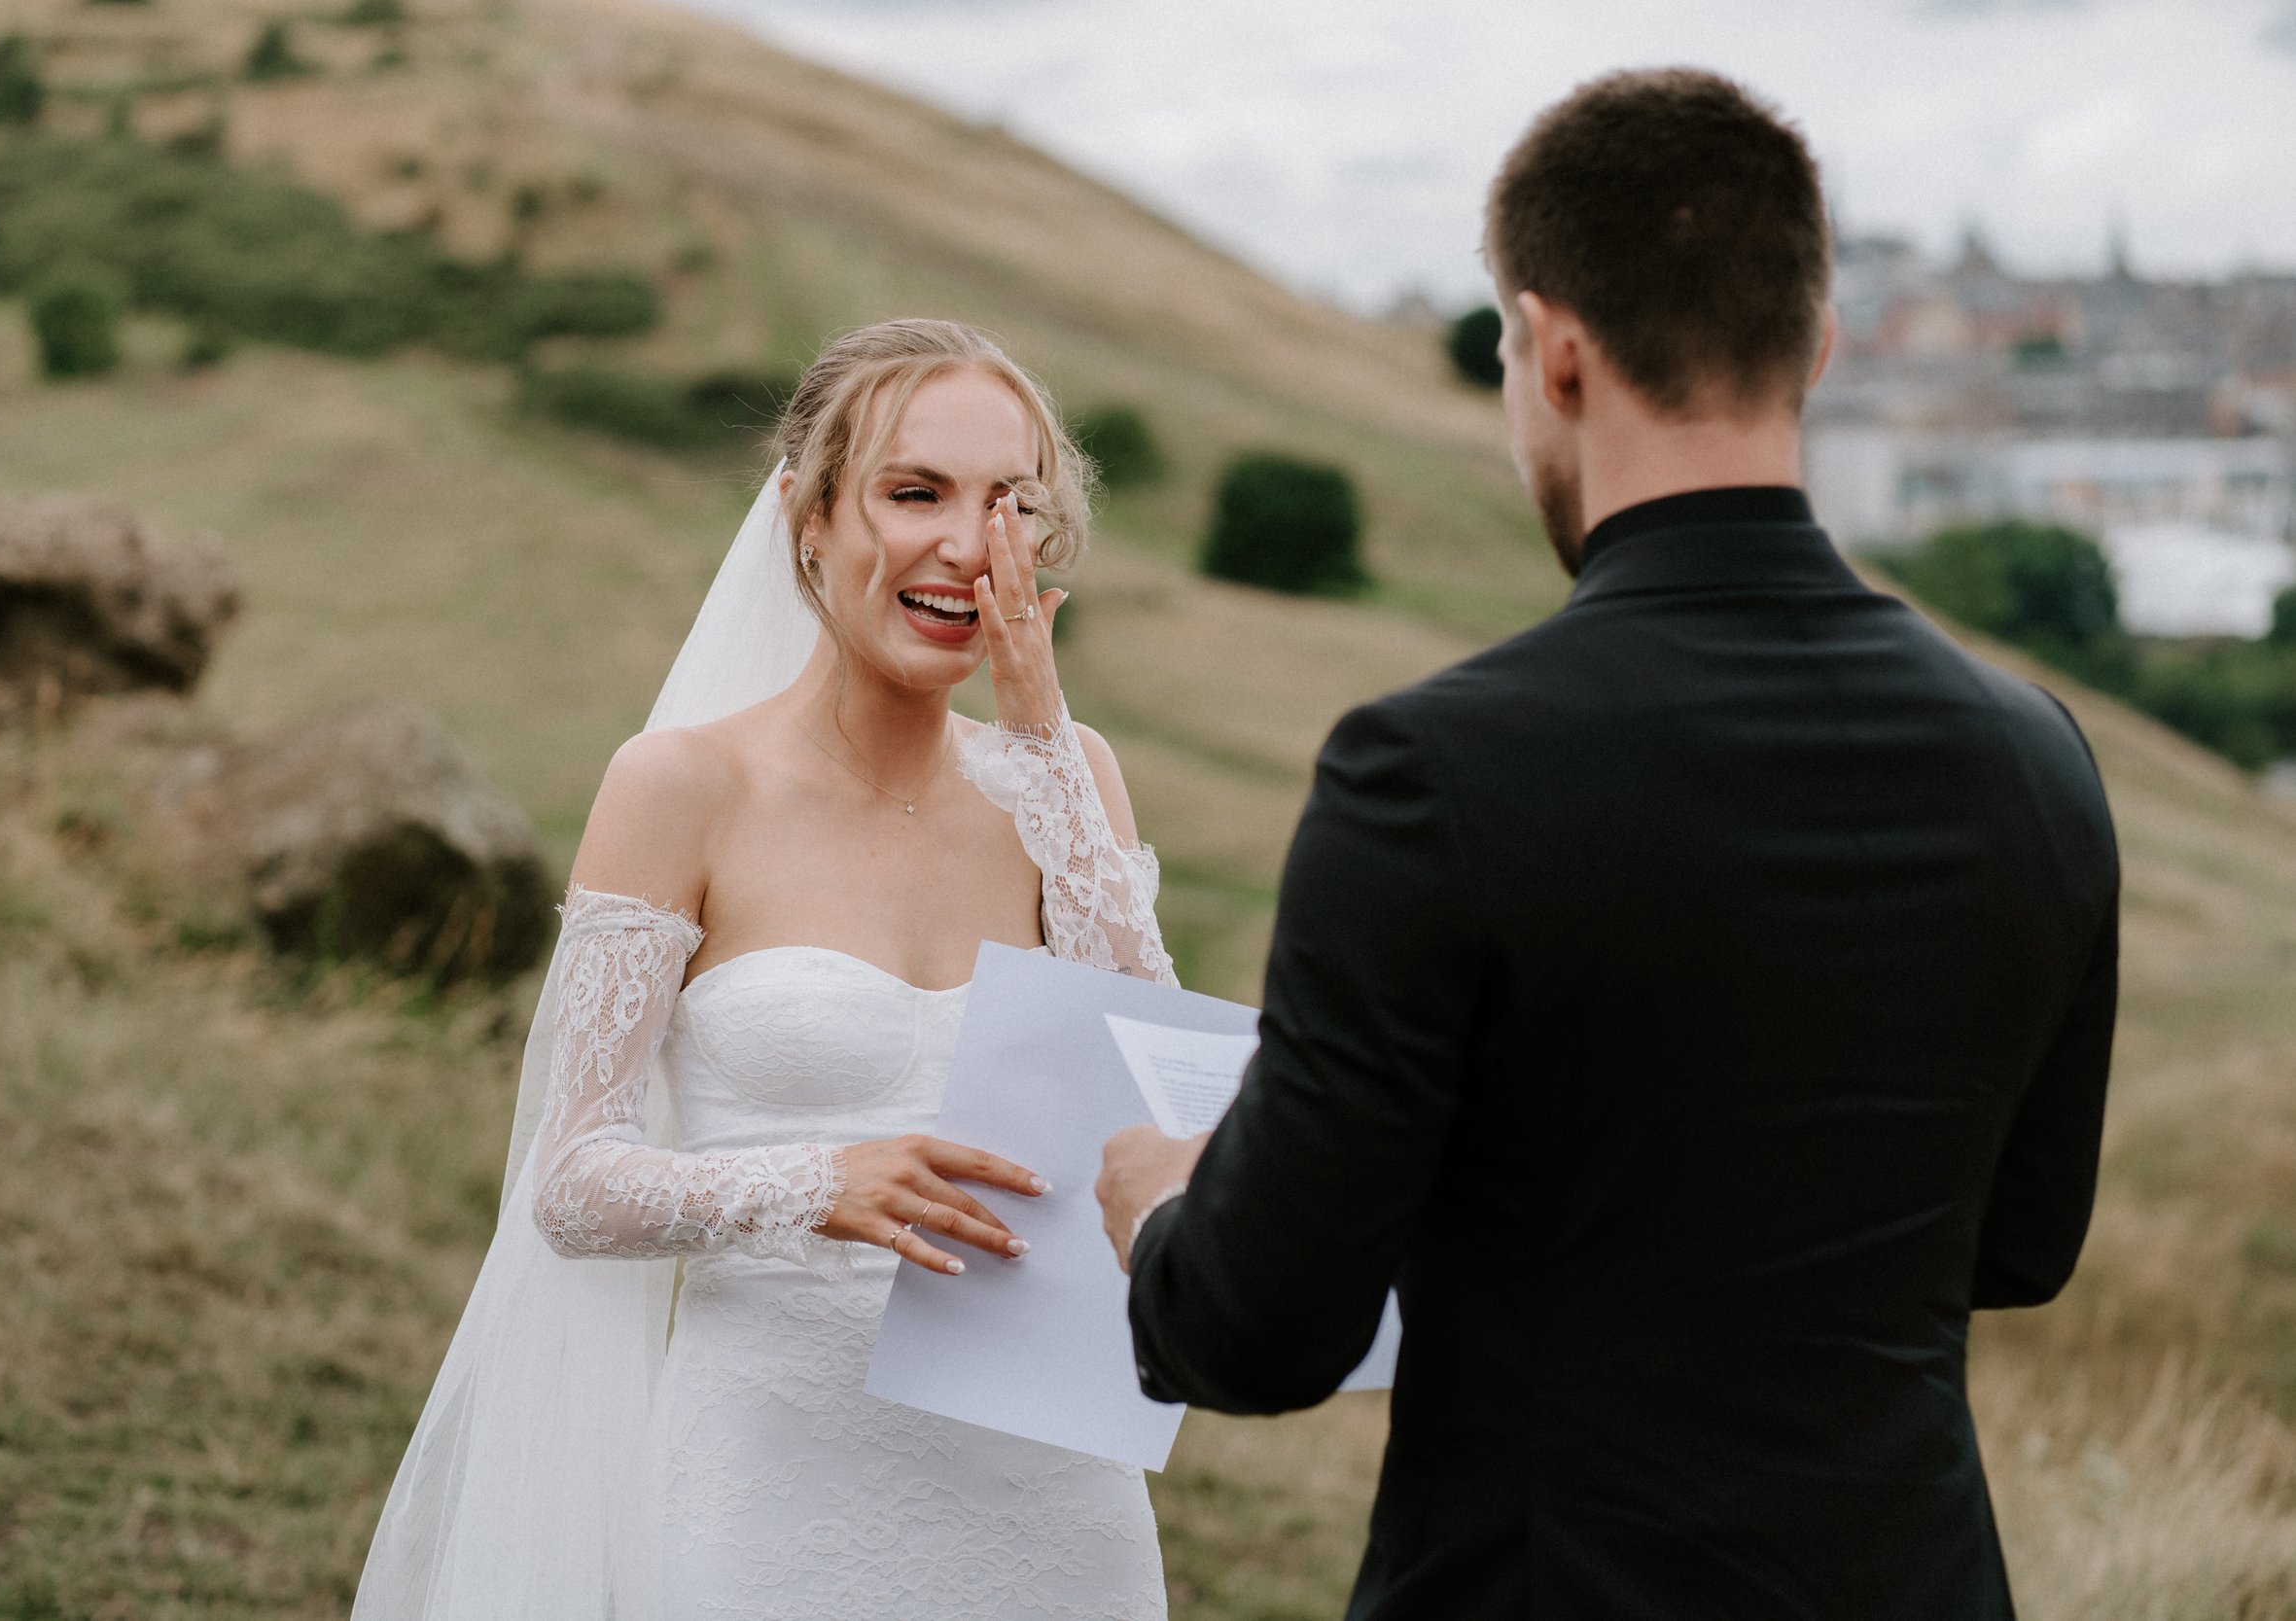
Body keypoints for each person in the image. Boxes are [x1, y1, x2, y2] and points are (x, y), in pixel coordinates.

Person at [1097, 69, 2117, 1621]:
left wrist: (1171, 1208)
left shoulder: (1432, 770)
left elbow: (1258, 1333)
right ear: (1820, 346)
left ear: (1555, 354)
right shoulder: (2038, 756)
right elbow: (2023, 1246)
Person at [356, 319, 1174, 1619]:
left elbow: (1151, 1105)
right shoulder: (682, 785)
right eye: (916, 494)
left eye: (1009, 504)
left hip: (1052, 1504)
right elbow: (569, 1185)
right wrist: (816, 1181)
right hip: (770, 1488)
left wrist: (1044, 734)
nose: (969, 546)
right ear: (807, 518)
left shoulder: (1067, 786)